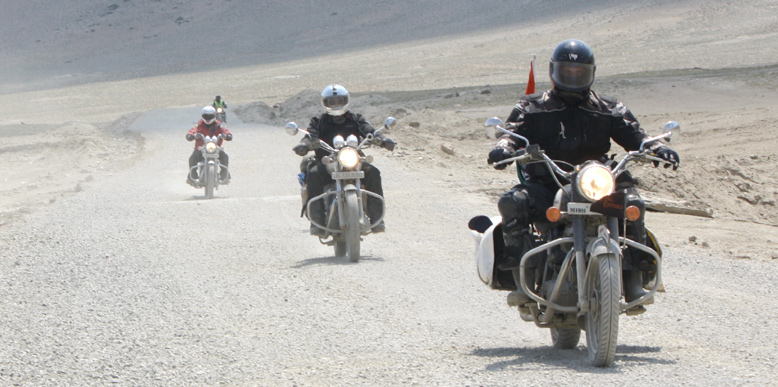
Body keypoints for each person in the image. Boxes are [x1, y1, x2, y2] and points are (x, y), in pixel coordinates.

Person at [486, 39, 679, 305]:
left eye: (580, 73)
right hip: (549, 182)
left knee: (633, 204)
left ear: (591, 73)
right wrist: (505, 147)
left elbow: (636, 135)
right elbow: (514, 132)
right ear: (555, 72)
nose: (573, 78)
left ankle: (635, 277)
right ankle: (524, 277)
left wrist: (656, 147)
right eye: (567, 72)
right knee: (512, 203)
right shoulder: (533, 106)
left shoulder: (609, 108)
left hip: (597, 183)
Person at [292, 84, 396, 237]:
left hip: (353, 161)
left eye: (339, 101)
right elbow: (309, 135)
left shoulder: (356, 119)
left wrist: (382, 139)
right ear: (325, 103)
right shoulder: (319, 121)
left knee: (373, 172)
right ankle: (317, 222)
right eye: (332, 102)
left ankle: (377, 219)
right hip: (328, 163)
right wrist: (304, 144)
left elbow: (369, 130)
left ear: (345, 101)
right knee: (313, 174)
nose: (336, 104)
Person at [186, 106, 233, 184]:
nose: (208, 118)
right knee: (193, 158)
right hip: (201, 149)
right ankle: (192, 176)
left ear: (214, 115)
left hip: (215, 148)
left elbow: (226, 132)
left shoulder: (219, 125)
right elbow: (192, 131)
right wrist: (191, 136)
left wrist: (227, 135)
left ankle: (224, 175)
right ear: (202, 116)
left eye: (210, 116)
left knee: (224, 157)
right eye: (206, 116)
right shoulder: (199, 125)